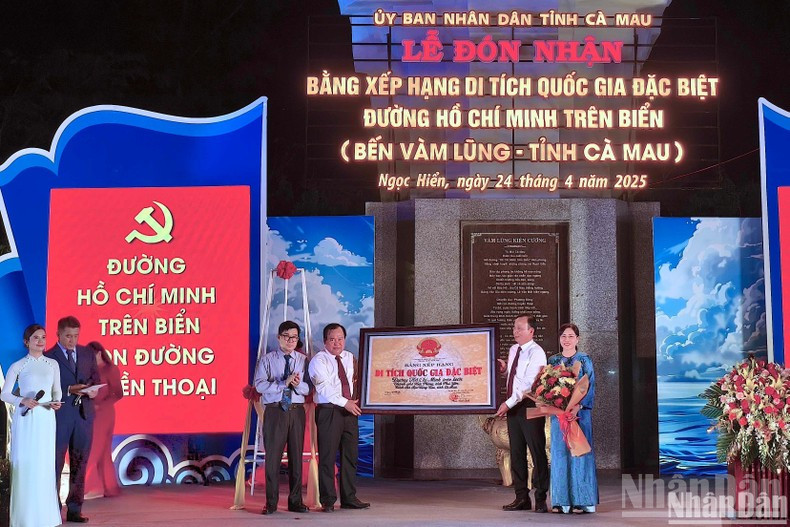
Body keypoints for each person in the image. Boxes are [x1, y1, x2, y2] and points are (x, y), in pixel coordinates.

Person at [1, 323, 63, 527]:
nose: (40, 341)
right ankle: (24, 519)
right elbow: (5, 393)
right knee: (27, 465)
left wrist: (56, 402)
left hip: (46, 418)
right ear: (26, 341)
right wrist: (23, 401)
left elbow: (58, 391)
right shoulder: (19, 365)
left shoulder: (52, 364)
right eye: (36, 337)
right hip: (26, 419)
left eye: (43, 337)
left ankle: (46, 518)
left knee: (44, 464)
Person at [308, 323, 369, 513]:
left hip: (350, 411)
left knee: (350, 456)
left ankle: (349, 498)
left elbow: (359, 381)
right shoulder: (319, 361)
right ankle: (328, 500)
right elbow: (324, 389)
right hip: (329, 411)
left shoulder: (351, 358)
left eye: (340, 339)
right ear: (325, 341)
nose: (337, 343)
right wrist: (346, 403)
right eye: (332, 339)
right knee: (327, 457)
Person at [45, 316, 99, 523]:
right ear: (58, 334)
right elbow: (46, 388)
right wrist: (68, 390)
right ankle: (52, 508)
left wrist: (93, 391)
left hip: (84, 416)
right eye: (68, 336)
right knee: (56, 463)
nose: (72, 340)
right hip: (60, 416)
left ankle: (75, 509)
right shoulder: (49, 357)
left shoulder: (87, 353)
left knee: (80, 462)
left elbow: (96, 379)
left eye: (76, 336)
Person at [253, 321, 310, 515]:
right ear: (279, 337)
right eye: (287, 336)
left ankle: (296, 501)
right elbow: (260, 386)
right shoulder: (267, 360)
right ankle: (271, 502)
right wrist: (283, 384)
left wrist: (295, 385)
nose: (291, 340)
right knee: (273, 458)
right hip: (275, 411)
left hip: (296, 410)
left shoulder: (303, 360)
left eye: (294, 337)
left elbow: (308, 388)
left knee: (296, 457)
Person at [495, 314, 549, 513]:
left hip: (530, 406)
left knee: (537, 452)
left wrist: (507, 404)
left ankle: (541, 498)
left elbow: (528, 385)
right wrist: (503, 371)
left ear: (531, 331)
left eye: (519, 328)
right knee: (516, 452)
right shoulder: (513, 350)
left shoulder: (537, 353)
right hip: (514, 407)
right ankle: (521, 498)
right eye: (514, 328)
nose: (515, 332)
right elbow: (515, 377)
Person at [548, 323, 599, 514]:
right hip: (559, 415)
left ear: (577, 339)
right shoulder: (553, 360)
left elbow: (590, 385)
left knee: (580, 456)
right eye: (563, 336)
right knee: (560, 455)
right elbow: (547, 387)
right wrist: (558, 406)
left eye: (570, 336)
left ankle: (583, 500)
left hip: (579, 414)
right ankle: (561, 501)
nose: (567, 339)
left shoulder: (584, 360)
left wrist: (578, 406)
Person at [84, 341, 123, 499]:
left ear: (99, 353)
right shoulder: (89, 370)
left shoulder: (110, 369)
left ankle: (92, 487)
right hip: (92, 412)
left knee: (94, 449)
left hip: (104, 413)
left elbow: (118, 393)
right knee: (102, 451)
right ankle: (108, 487)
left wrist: (101, 405)